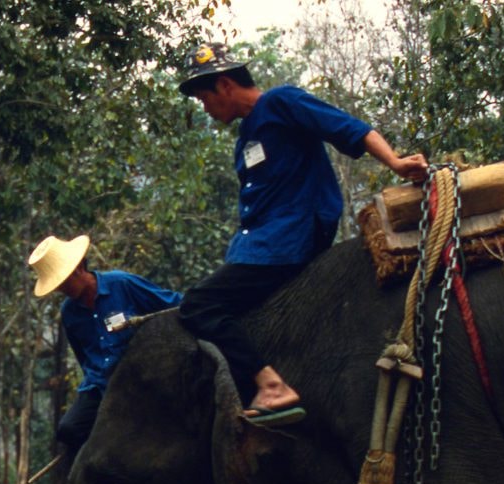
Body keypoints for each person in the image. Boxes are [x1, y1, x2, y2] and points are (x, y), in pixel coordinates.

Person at [177, 42, 429, 426]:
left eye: (204, 98)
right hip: (260, 247)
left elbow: (346, 127)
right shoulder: (246, 138)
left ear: (225, 85)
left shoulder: (281, 102)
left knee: (198, 306)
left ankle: (272, 386)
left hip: (288, 241)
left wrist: (394, 161)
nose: (206, 109)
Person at [28, 234, 182, 449]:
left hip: (141, 375)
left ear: (79, 268)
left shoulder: (122, 284)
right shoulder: (69, 313)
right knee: (69, 430)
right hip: (100, 386)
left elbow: (174, 305)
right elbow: (84, 359)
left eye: (65, 282)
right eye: (58, 287)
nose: (63, 290)